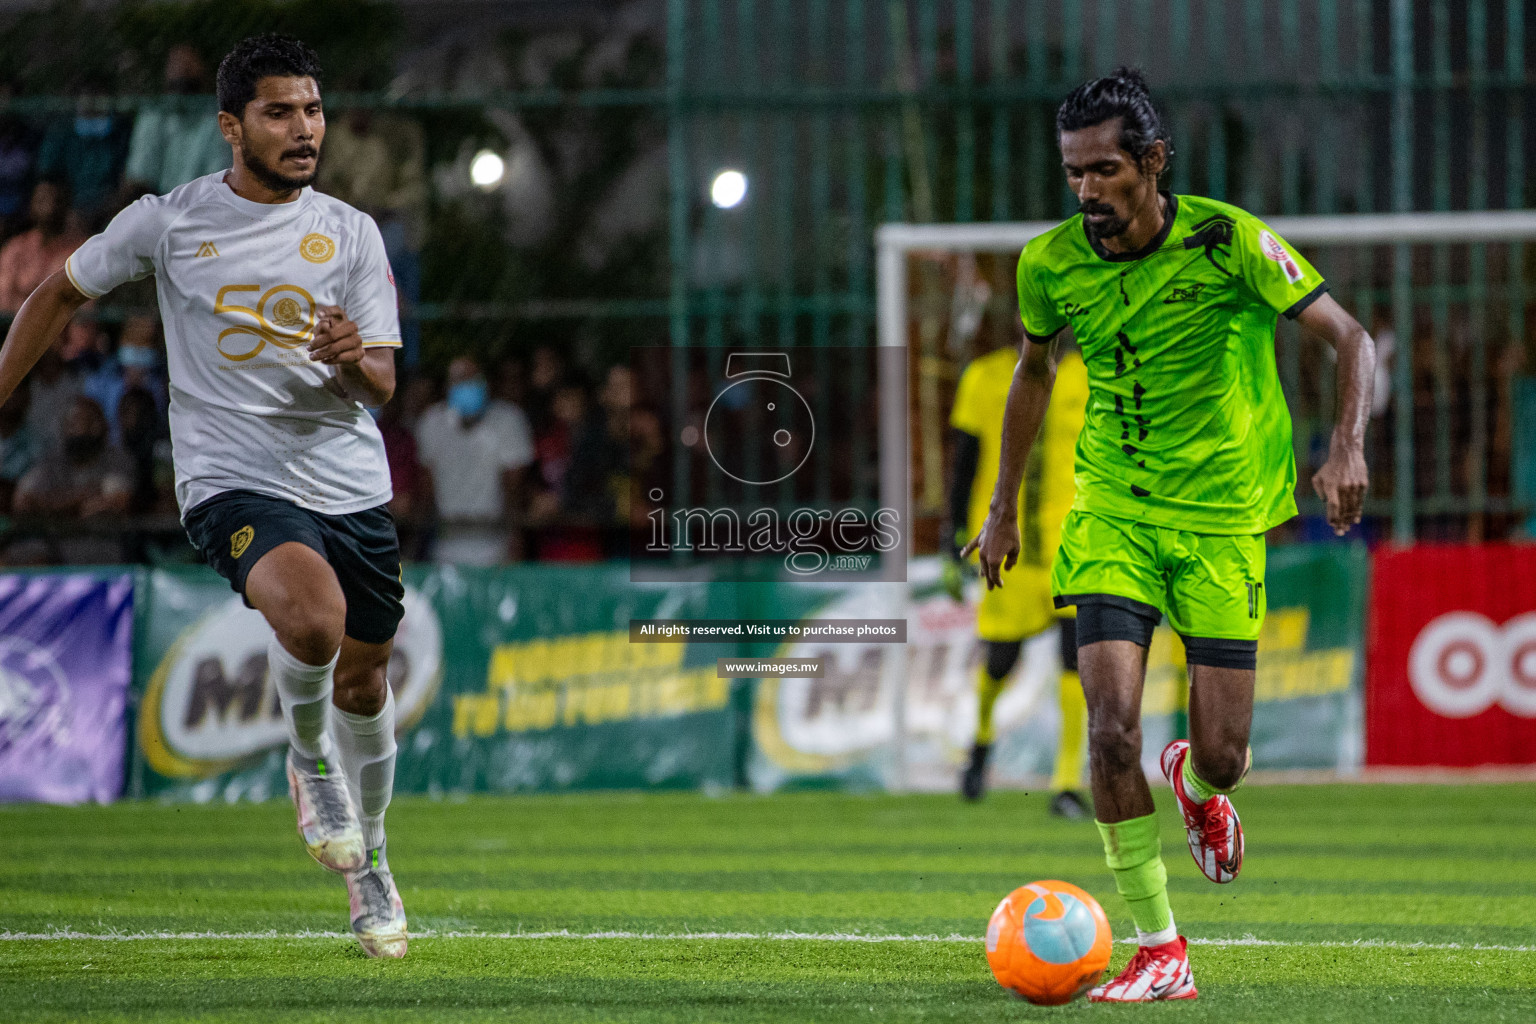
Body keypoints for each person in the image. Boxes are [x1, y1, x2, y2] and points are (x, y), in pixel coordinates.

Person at [963, 68, 1373, 1002]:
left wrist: (1345, 446)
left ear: (1152, 162)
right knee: (1110, 729)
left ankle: (1199, 785)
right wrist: (1000, 508)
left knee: (1224, 753)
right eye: (1073, 173)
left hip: (1225, 517)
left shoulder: (1228, 240)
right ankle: (1160, 948)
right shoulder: (1049, 263)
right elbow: (1033, 374)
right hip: (1111, 509)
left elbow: (1353, 339)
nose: (1087, 191)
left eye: (1104, 170)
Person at [0, 34, 409, 959]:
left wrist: (354, 362)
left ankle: (373, 861)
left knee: (365, 674)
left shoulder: (351, 232)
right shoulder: (169, 221)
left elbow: (382, 384)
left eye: (312, 109)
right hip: (232, 478)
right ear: (231, 126)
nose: (304, 129)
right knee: (313, 620)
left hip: (349, 482)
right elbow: (58, 295)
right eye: (279, 112)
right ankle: (309, 766)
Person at [946, 337, 1090, 817]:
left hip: (1074, 544)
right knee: (1000, 661)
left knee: (1078, 660)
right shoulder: (985, 375)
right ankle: (981, 745)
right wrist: (954, 534)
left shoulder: (1091, 375)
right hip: (1010, 549)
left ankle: (1066, 783)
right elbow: (964, 461)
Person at [414, 355, 534, 565]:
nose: (466, 386)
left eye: (472, 379)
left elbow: (515, 487)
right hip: (446, 543)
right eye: (459, 380)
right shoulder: (432, 422)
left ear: (485, 383)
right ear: (448, 386)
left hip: (495, 542)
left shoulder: (509, 420)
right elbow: (426, 487)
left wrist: (515, 537)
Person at [122, 44, 231, 198]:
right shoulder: (153, 116)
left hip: (202, 206)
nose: (183, 68)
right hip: (156, 205)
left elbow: (219, 178)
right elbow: (139, 177)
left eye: (189, 84)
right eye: (176, 63)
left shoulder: (216, 119)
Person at [0, 180, 87, 313]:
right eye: (42, 200)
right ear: (31, 204)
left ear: (66, 204)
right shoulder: (16, 247)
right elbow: (3, 298)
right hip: (13, 326)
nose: (49, 206)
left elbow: (82, 310)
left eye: (56, 200)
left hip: (59, 329)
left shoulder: (81, 251)